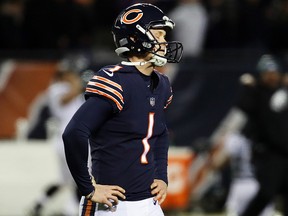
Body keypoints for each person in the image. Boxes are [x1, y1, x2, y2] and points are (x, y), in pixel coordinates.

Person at [62, 3, 183, 216]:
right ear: (136, 38)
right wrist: (88, 188)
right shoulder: (115, 81)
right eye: (159, 34)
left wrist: (161, 175)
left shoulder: (161, 83)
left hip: (150, 203)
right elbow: (74, 133)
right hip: (113, 206)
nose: (164, 42)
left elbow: (160, 133)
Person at [227, 54, 288, 216]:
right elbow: (244, 106)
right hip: (269, 153)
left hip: (285, 152)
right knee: (267, 193)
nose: (271, 76)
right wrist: (250, 87)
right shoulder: (257, 93)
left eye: (274, 72)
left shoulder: (283, 91)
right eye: (267, 73)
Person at [29, 68, 85, 216]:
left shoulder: (67, 88)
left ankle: (39, 204)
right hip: (67, 140)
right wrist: (75, 81)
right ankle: (71, 211)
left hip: (67, 139)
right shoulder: (56, 88)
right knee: (79, 178)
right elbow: (69, 96)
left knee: (65, 180)